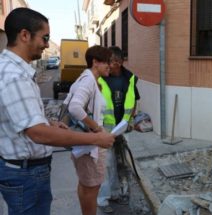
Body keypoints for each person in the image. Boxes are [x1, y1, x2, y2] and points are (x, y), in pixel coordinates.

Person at [0, 8, 114, 215]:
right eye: (45, 38)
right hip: (25, 173)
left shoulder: (17, 71)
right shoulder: (14, 75)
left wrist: (48, 123)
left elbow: (18, 120)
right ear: (25, 35)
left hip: (27, 171)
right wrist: (96, 137)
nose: (46, 44)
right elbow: (37, 133)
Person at [65, 45, 112, 215]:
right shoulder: (88, 80)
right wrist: (98, 128)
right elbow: (75, 107)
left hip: (84, 144)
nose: (110, 65)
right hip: (89, 145)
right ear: (95, 62)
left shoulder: (85, 79)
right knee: (92, 188)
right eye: (107, 61)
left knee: (85, 185)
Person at [97, 46, 140, 213]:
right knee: (106, 164)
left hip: (122, 128)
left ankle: (115, 193)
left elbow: (134, 100)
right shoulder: (99, 79)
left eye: (111, 62)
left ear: (119, 62)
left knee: (119, 162)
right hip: (105, 128)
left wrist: (129, 121)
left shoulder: (129, 79)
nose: (108, 65)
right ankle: (102, 199)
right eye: (107, 61)